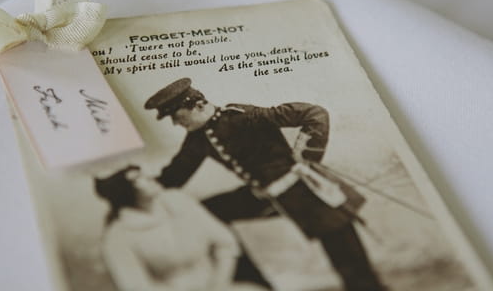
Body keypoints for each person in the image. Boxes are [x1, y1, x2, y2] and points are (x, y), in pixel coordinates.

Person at [145, 78, 386, 291]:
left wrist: (307, 158)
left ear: (197, 106)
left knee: (352, 267)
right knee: (208, 212)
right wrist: (137, 191)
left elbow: (315, 113)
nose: (176, 124)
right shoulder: (197, 139)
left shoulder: (244, 117)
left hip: (303, 191)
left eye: (177, 117)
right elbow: (175, 174)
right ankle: (255, 286)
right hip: (266, 196)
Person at [95, 165, 243, 291]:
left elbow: (225, 244)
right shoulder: (117, 237)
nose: (149, 176)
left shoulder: (179, 201)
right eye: (137, 178)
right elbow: (137, 287)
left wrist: (218, 285)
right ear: (123, 191)